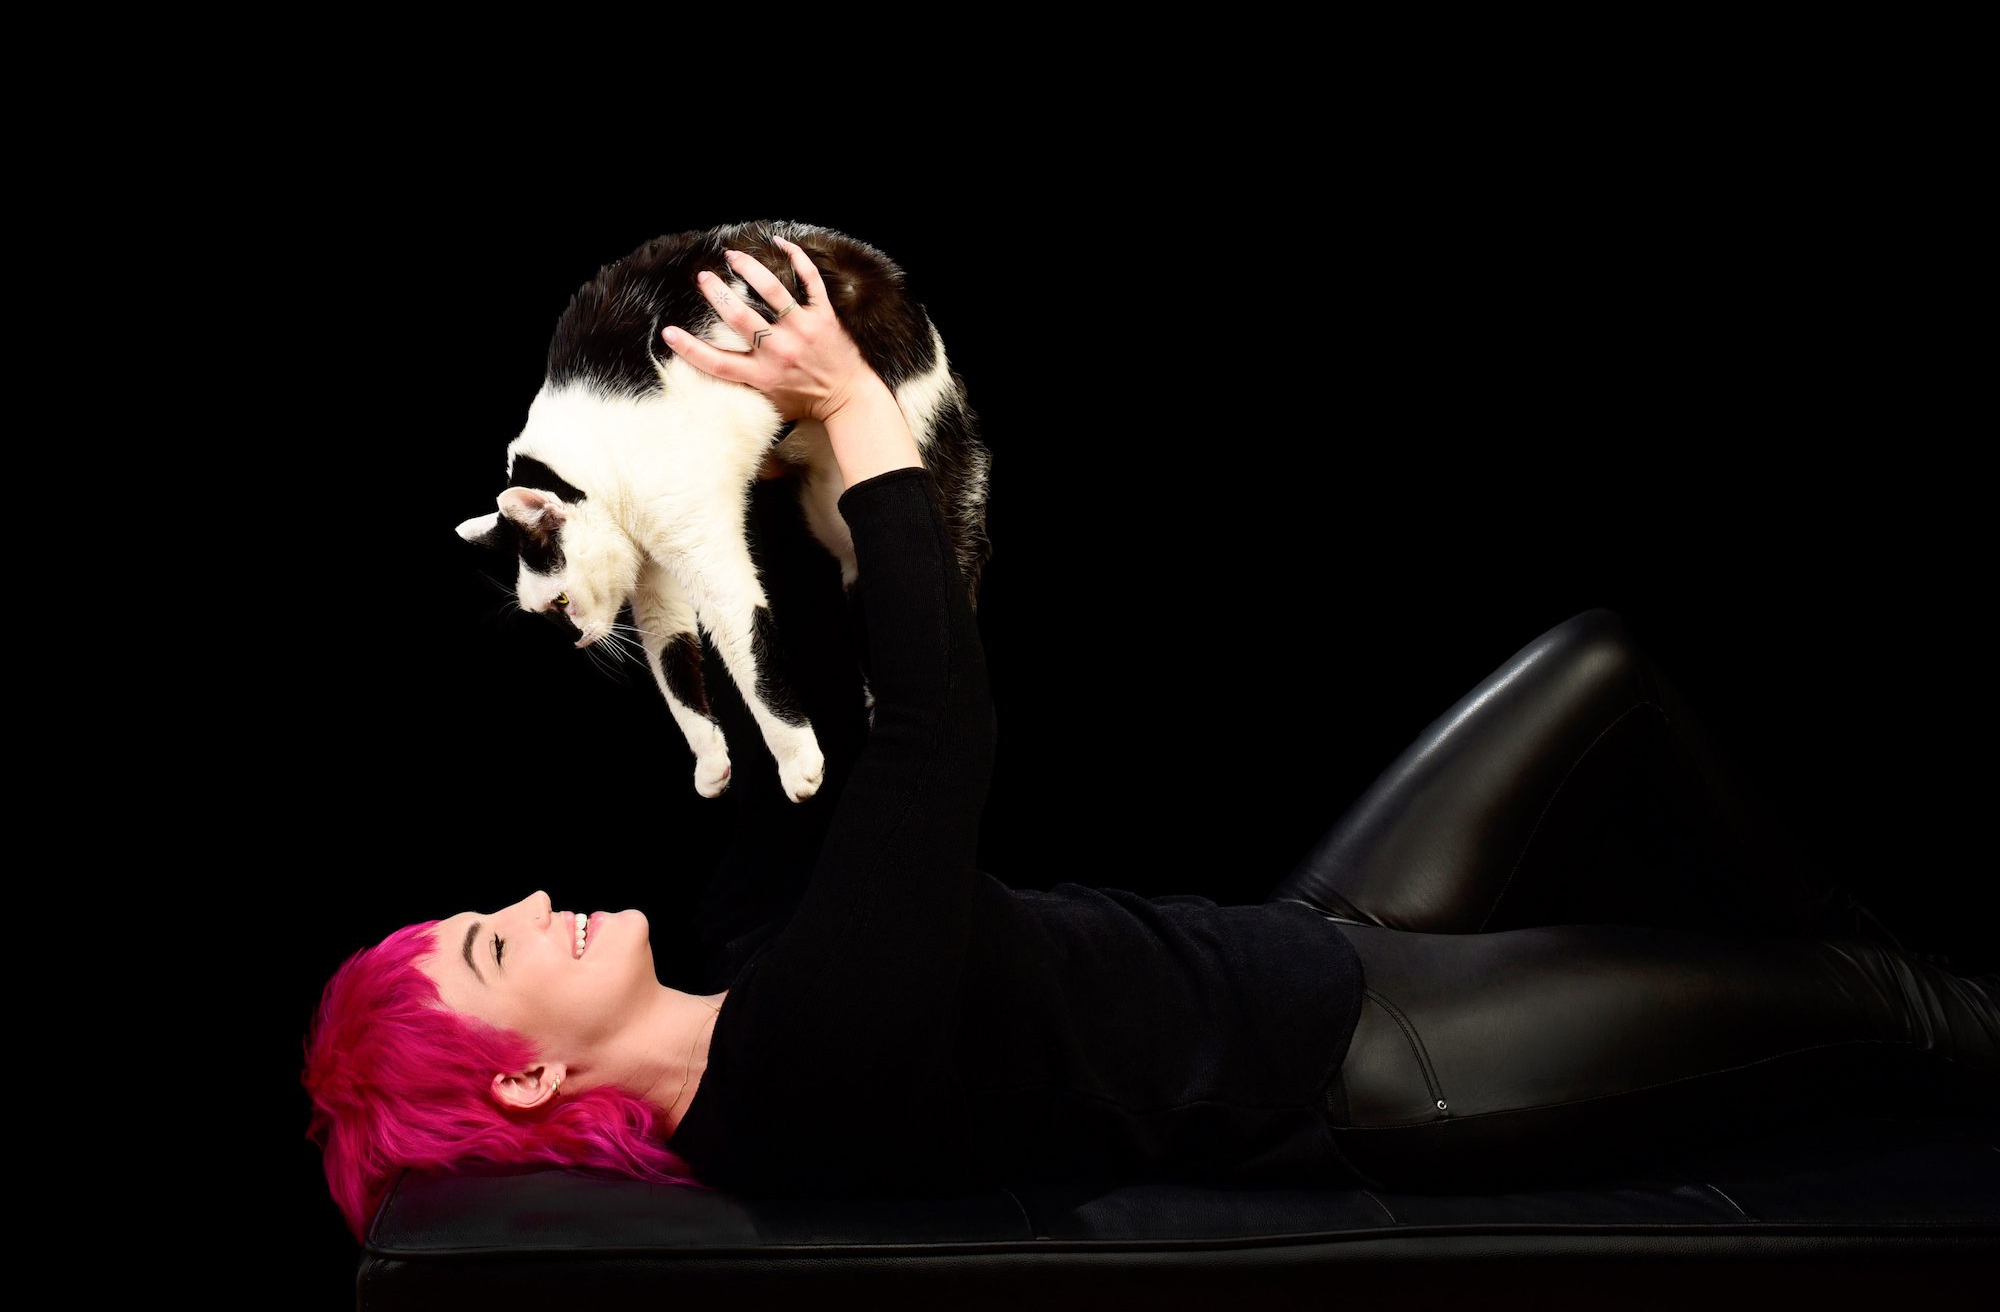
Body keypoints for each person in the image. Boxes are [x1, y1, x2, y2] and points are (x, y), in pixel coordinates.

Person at [303, 237, 1997, 1243]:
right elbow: (936, 740)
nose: (524, 896)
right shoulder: (797, 1061)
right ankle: (1878, 984)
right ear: (527, 1072)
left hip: (1306, 947)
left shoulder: (743, 955)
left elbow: (835, 688)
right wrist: (855, 408)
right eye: (488, 944)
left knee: (1599, 663)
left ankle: (1841, 955)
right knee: (1900, 1013)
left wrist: (700, 453)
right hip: (1393, 1069)